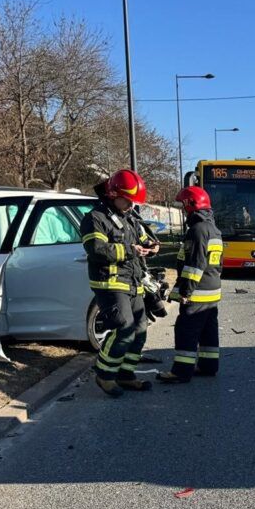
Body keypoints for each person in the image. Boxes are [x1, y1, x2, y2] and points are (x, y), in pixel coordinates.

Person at [81, 169, 159, 397]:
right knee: (123, 329)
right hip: (110, 284)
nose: (131, 206)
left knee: (140, 330)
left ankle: (126, 375)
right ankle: (104, 375)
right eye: (128, 200)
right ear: (114, 193)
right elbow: (96, 249)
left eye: (134, 202)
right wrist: (129, 250)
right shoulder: (95, 218)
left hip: (133, 283)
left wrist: (153, 247)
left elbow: (145, 239)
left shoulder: (129, 217)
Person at [158, 186, 223, 383]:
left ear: (190, 205)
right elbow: (218, 264)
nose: (182, 210)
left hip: (197, 292)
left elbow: (195, 265)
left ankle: (181, 371)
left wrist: (186, 291)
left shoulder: (197, 230)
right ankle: (208, 366)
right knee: (208, 331)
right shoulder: (213, 229)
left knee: (186, 330)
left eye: (183, 206)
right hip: (212, 290)